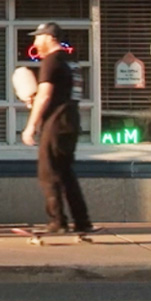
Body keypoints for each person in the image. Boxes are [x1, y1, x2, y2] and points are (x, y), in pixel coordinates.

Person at [20, 22, 93, 234]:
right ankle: (82, 221)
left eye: (38, 38)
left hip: (55, 124)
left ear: (50, 38)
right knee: (66, 173)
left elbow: (45, 95)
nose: (35, 43)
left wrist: (30, 126)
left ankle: (57, 222)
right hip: (71, 122)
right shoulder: (72, 62)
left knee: (48, 173)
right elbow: (66, 93)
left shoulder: (51, 61)